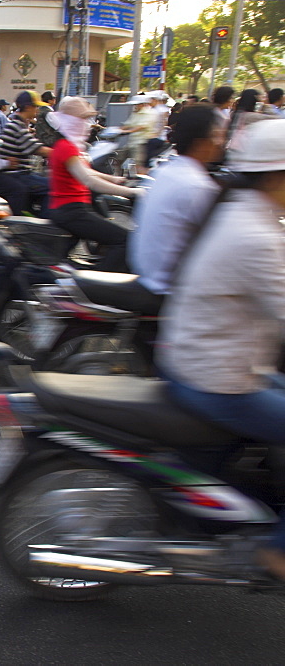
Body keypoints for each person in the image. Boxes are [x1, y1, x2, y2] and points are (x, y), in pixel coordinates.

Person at [154, 120, 285, 581]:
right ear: (275, 178)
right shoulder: (257, 235)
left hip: (205, 359)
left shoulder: (242, 211)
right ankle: (277, 551)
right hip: (216, 376)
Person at [129, 103, 223, 295]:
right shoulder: (197, 186)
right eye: (218, 134)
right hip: (172, 289)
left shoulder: (165, 172)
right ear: (202, 143)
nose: (221, 141)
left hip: (150, 277)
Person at [46, 96, 141, 272]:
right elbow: (88, 180)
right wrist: (130, 192)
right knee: (124, 240)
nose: (87, 124)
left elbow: (87, 171)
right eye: (82, 119)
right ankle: (99, 288)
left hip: (74, 209)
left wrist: (114, 179)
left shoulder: (69, 146)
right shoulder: (66, 147)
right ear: (71, 121)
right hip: (71, 211)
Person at [0, 91, 51, 213]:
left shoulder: (20, 124)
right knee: (53, 187)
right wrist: (65, 153)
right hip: (17, 174)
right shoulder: (16, 126)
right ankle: (46, 225)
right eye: (35, 106)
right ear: (27, 107)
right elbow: (37, 149)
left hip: (22, 173)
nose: (37, 110)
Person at [121, 95, 158, 174]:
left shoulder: (149, 113)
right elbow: (128, 124)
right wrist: (117, 130)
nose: (135, 106)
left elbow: (142, 126)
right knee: (119, 158)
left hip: (141, 142)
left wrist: (129, 131)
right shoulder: (135, 113)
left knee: (137, 164)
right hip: (131, 142)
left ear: (142, 104)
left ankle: (144, 181)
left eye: (137, 104)